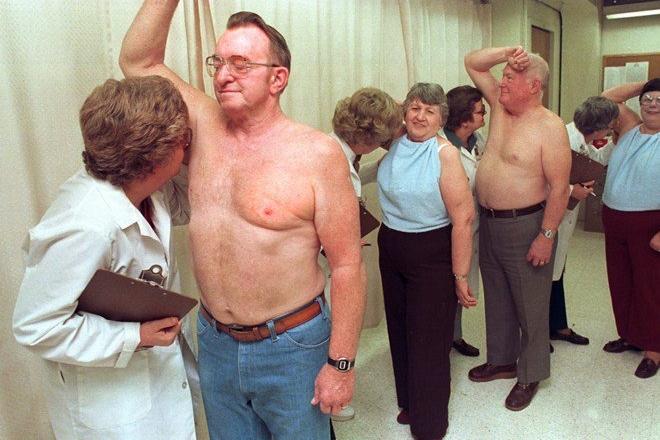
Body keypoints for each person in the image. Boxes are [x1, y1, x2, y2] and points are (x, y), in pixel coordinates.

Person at [120, 4, 366, 439]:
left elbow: (347, 265)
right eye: (218, 62)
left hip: (292, 345)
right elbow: (138, 62)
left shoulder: (316, 154)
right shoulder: (202, 124)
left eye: (240, 63)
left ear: (277, 79)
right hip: (216, 341)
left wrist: (340, 364)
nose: (222, 75)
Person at [12, 76, 198, 439]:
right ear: (154, 159)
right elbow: (35, 326)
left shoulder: (144, 189)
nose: (188, 146)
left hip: (153, 386)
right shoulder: (84, 224)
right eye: (184, 140)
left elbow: (188, 204)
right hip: (111, 407)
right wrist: (133, 336)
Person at [464, 47, 571, 411]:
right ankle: (502, 361)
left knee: (531, 304)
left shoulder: (549, 127)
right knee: (497, 297)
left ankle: (530, 373)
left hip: (527, 225)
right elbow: (473, 62)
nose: (503, 81)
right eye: (504, 75)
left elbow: (560, 187)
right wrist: (510, 51)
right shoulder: (499, 105)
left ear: (534, 85)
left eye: (511, 76)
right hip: (490, 221)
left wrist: (546, 235)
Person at [377, 82, 475, 439]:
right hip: (391, 245)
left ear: (441, 119)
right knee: (400, 328)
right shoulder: (394, 140)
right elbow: (368, 117)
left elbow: (463, 219)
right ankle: (410, 401)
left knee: (429, 339)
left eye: (430, 111)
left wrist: (460, 276)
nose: (420, 116)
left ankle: (430, 422)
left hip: (431, 252)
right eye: (415, 108)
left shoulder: (445, 154)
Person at [326, 87, 403, 424]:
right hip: (326, 263)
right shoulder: (333, 163)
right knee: (332, 327)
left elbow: (357, 177)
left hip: (331, 260)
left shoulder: (342, 152)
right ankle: (330, 398)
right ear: (371, 138)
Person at [549, 96, 620, 351]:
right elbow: (540, 179)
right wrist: (572, 191)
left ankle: (558, 325)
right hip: (549, 217)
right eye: (610, 126)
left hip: (563, 218)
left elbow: (596, 157)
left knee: (557, 271)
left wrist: (616, 143)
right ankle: (537, 334)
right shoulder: (562, 140)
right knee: (545, 275)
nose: (611, 129)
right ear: (599, 128)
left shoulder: (581, 140)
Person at [601, 78, 660, 379]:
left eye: (659, 100)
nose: (652, 104)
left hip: (649, 225)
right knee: (621, 282)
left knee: (650, 288)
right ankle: (630, 335)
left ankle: (653, 349)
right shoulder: (629, 127)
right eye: (648, 99)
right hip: (615, 218)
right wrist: (647, 84)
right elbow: (606, 98)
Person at [440, 85, 487, 357]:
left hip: (472, 226)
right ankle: (441, 341)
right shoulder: (442, 147)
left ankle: (454, 337)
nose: (484, 116)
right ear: (464, 118)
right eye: (480, 112)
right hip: (446, 228)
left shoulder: (478, 141)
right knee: (445, 289)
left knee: (462, 284)